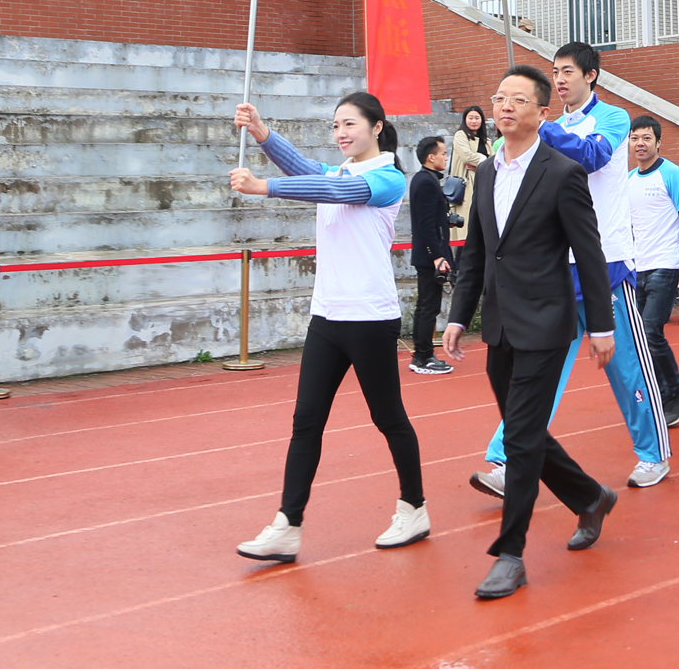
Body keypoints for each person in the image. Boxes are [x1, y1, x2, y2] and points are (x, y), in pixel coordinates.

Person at [229, 92, 428, 565]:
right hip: (327, 317)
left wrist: (265, 187)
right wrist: (261, 131)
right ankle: (287, 525)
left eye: (350, 124)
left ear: (376, 127)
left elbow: (335, 192)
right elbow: (306, 168)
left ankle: (414, 508)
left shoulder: (387, 177)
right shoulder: (338, 171)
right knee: (306, 422)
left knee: (388, 418)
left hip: (370, 318)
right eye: (336, 125)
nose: (341, 133)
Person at [441, 65, 617, 601]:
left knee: (518, 439)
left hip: (546, 324)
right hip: (499, 324)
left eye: (518, 99)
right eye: (499, 98)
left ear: (542, 113)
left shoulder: (562, 173)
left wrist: (602, 325)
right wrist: (458, 316)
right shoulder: (488, 173)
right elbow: (477, 252)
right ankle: (589, 496)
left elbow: (589, 253)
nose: (505, 107)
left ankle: (510, 554)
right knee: (527, 432)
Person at [470, 41, 672, 495]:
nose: (559, 80)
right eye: (555, 72)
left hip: (606, 265)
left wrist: (539, 126)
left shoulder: (614, 119)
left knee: (627, 370)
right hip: (555, 270)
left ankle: (653, 453)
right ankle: (507, 459)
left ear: (590, 76)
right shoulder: (548, 125)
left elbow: (592, 157)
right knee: (537, 377)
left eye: (567, 72)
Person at [625, 115, 679, 429]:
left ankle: (675, 394)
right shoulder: (629, 180)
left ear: (658, 143)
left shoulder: (672, 174)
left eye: (646, 138)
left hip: (667, 265)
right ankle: (658, 395)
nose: (640, 144)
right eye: (635, 138)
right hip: (637, 268)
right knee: (638, 337)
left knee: (651, 331)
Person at [407, 136, 456, 374]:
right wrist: (437, 256)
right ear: (431, 157)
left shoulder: (426, 180)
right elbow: (425, 225)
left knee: (427, 305)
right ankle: (423, 356)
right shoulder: (426, 182)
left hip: (430, 253)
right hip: (430, 257)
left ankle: (422, 354)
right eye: (443, 153)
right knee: (428, 306)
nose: (446, 158)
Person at [447, 106, 489, 228]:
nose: (474, 121)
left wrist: (480, 166)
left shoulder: (486, 140)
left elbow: (495, 161)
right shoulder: (460, 135)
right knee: (466, 223)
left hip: (484, 184)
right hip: (466, 185)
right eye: (470, 118)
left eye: (477, 118)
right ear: (465, 119)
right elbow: (467, 156)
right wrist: (484, 161)